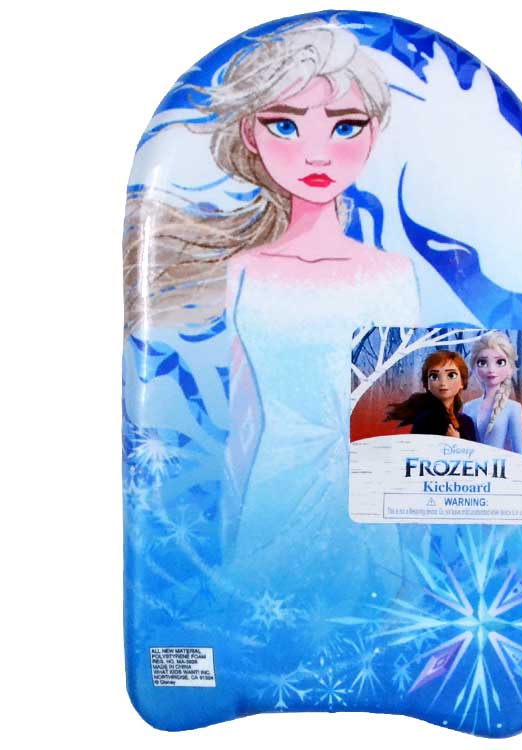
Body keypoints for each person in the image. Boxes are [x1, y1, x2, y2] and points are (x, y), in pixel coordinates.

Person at [124, 20, 421, 612]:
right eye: (285, 125)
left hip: (369, 504)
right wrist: (232, 529)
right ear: (250, 134)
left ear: (374, 131)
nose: (317, 153)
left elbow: (403, 422)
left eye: (345, 126)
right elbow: (245, 422)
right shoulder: (245, 272)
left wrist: (412, 546)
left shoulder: (393, 275)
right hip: (275, 490)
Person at [386, 351, 476, 440]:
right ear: (427, 384)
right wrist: (452, 442)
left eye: (451, 375)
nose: (443, 383)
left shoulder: (466, 421)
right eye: (434, 376)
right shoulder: (425, 419)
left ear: (462, 382)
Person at [463, 331, 522, 454]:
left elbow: (520, 453)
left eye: (500, 362)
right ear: (474, 368)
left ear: (510, 368)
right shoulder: (468, 407)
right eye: (482, 363)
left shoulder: (513, 408)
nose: (491, 369)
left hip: (501, 466)